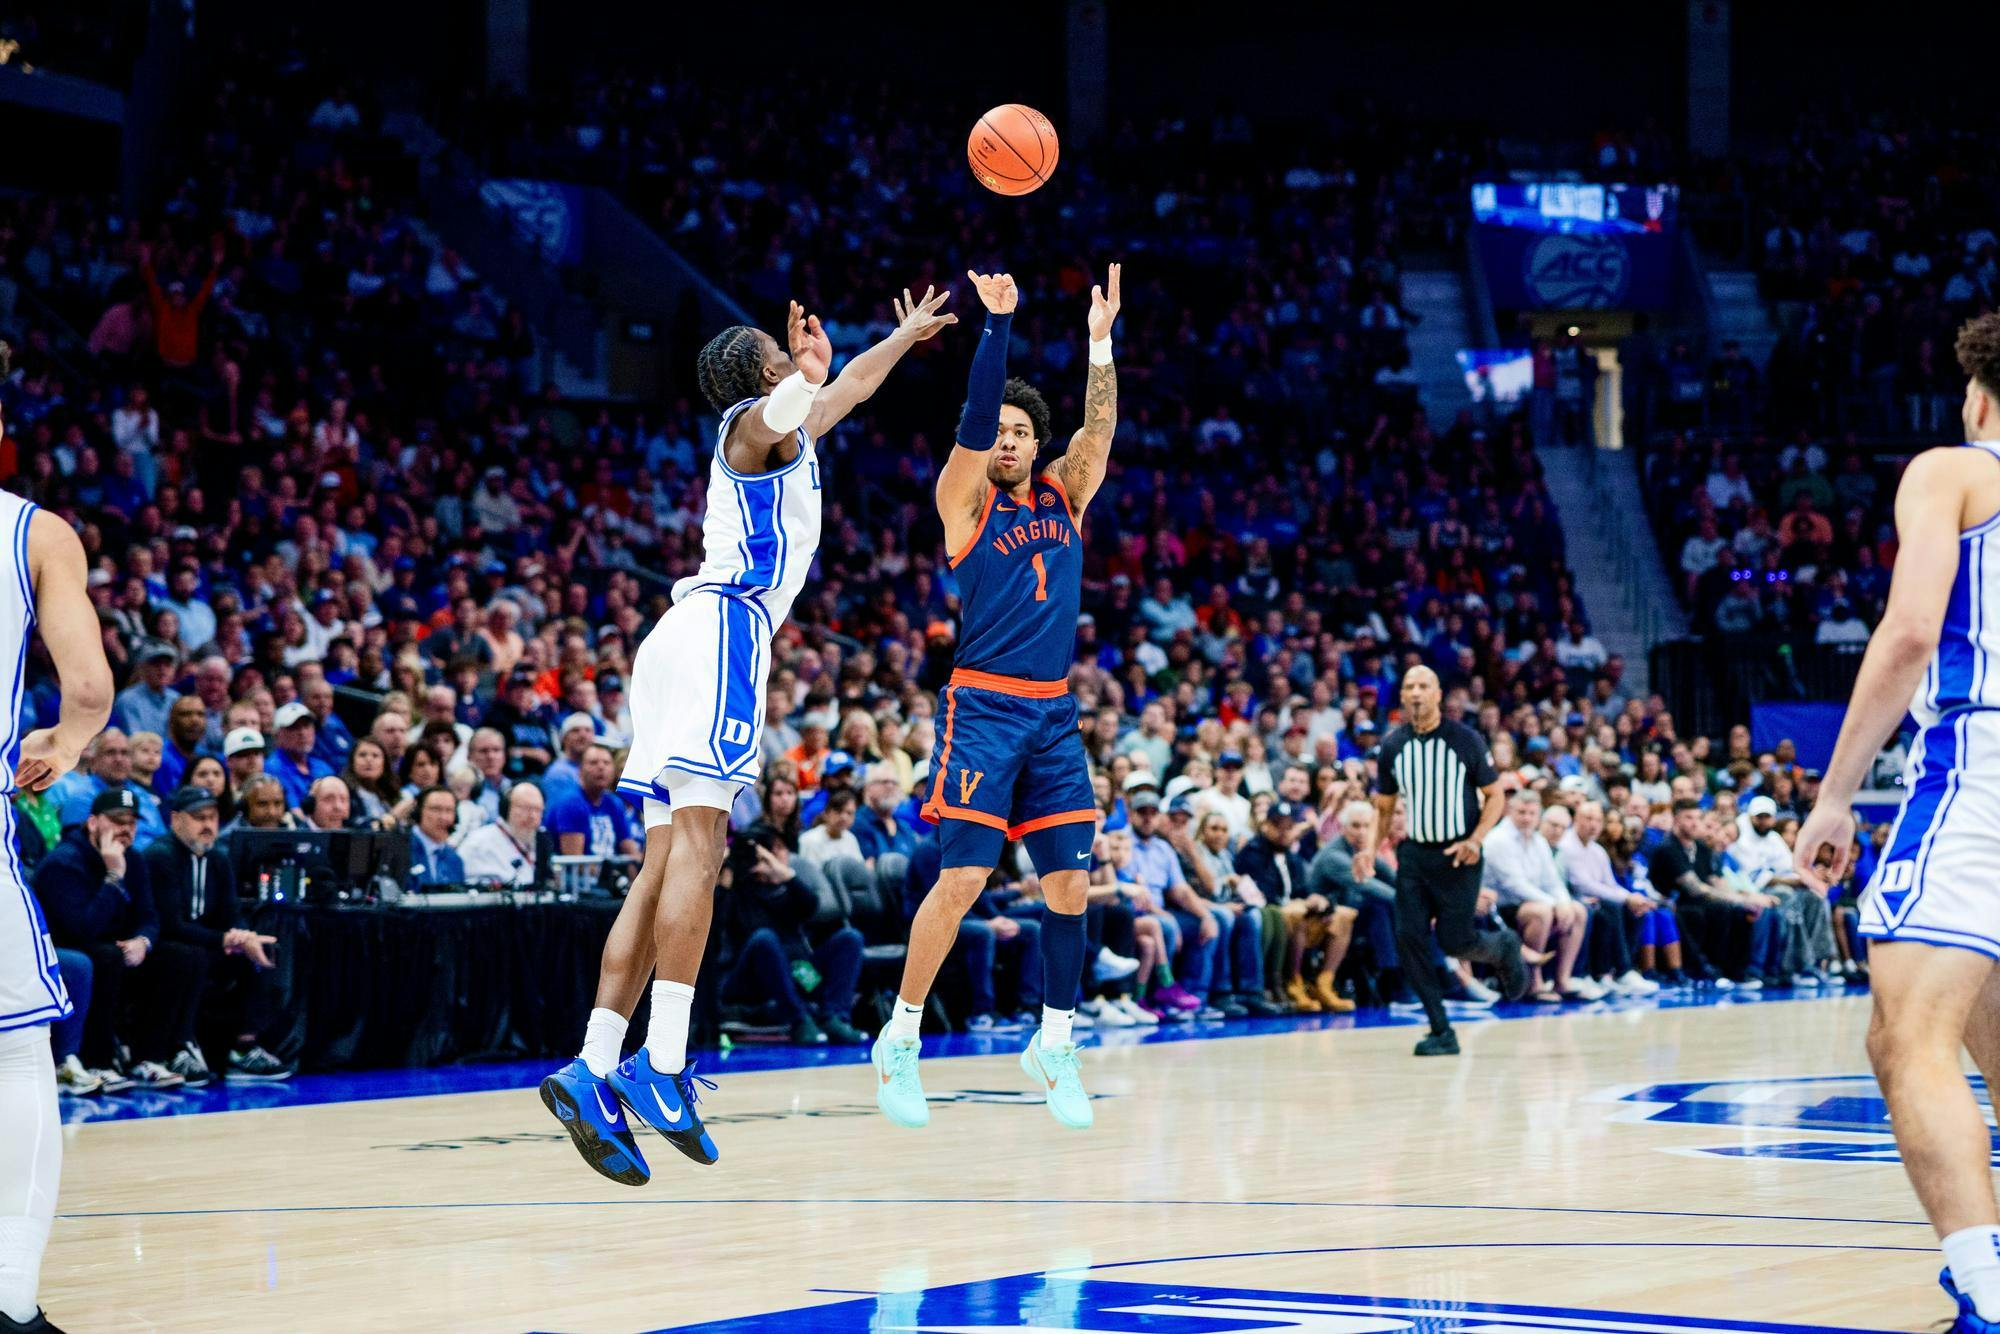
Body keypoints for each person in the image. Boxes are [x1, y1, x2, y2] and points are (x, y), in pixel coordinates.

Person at [540, 285, 954, 1186]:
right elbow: (793, 403)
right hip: (724, 633)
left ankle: (594, 1065)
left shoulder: (790, 429)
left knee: (659, 872)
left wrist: (902, 338)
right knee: (702, 852)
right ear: (759, 370)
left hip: (677, 644)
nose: (800, 349)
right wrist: (799, 380)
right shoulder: (748, 425)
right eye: (783, 347)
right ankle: (665, 1060)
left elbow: (844, 390)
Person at [877, 264, 1120, 1133]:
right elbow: (975, 424)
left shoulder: (1066, 494)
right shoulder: (965, 502)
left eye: (1024, 432)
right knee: (967, 876)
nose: (1010, 440)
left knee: (1069, 885)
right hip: (982, 708)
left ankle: (1054, 1040)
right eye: (1003, 433)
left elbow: (1098, 428)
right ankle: (900, 1037)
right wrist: (999, 326)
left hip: (1054, 712)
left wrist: (1098, 340)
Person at [1793, 310, 2000, 1330]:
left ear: (1975, 396)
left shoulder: (1952, 470)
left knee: (1906, 1035)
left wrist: (1834, 792)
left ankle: (1986, 1294)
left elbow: (1913, 624)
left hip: (1983, 761)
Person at [0, 463, 113, 1334]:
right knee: (15, 1052)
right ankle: (9, 1301)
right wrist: (69, 744)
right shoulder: (35, 531)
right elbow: (87, 690)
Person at [1372, 666, 1529, 1056]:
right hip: (1415, 854)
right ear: (1403, 696)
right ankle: (1441, 1029)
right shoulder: (1392, 746)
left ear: (1439, 694)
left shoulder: (1466, 740)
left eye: (1424, 685)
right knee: (1408, 939)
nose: (1416, 692)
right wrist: (1370, 848)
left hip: (1459, 854)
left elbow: (1495, 796)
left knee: (1455, 941)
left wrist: (1476, 839)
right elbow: (1386, 805)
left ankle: (1505, 946)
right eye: (1409, 686)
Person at [139, 787, 290, 1081]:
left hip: (205, 942)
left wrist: (246, 937)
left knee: (264, 950)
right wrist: (223, 939)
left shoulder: (219, 858)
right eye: (198, 817)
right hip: (164, 944)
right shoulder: (160, 856)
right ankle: (177, 1047)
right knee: (187, 955)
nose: (207, 825)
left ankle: (244, 1048)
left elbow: (231, 913)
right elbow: (170, 923)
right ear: (176, 820)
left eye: (212, 817)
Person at [459, 784, 547, 888]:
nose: (532, 816)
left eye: (538, 810)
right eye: (525, 808)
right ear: (506, 808)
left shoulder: (541, 842)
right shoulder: (478, 841)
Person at [406, 787, 466, 888]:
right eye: (436, 809)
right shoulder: (401, 849)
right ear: (418, 811)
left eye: (449, 810)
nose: (443, 817)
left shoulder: (455, 860)